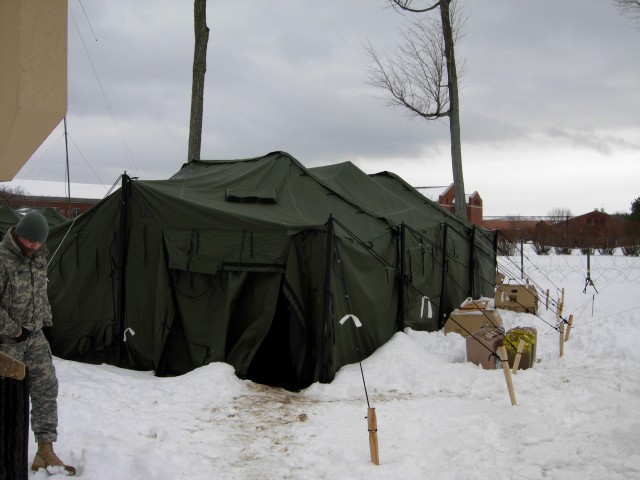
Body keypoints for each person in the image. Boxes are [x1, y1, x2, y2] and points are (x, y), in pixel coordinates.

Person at [0, 211, 76, 476]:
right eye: (29, 240)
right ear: (18, 233)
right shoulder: (2, 259)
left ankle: (45, 448)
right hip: (6, 342)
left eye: (37, 242)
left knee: (46, 387)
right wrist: (13, 329)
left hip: (34, 336)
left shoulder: (38, 257)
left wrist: (46, 323)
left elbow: (40, 294)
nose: (32, 245)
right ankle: (6, 453)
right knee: (8, 399)